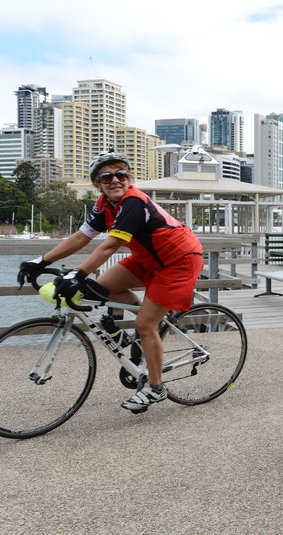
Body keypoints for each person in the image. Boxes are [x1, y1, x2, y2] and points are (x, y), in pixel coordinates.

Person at [18, 152, 204, 412]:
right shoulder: (104, 204)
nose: (115, 180)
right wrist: (41, 261)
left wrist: (78, 274)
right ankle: (138, 336)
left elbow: (111, 245)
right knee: (101, 289)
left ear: (129, 179)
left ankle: (156, 387)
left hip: (178, 261)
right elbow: (81, 237)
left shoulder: (133, 203)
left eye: (121, 174)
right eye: (107, 176)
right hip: (147, 258)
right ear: (97, 184)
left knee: (145, 323)